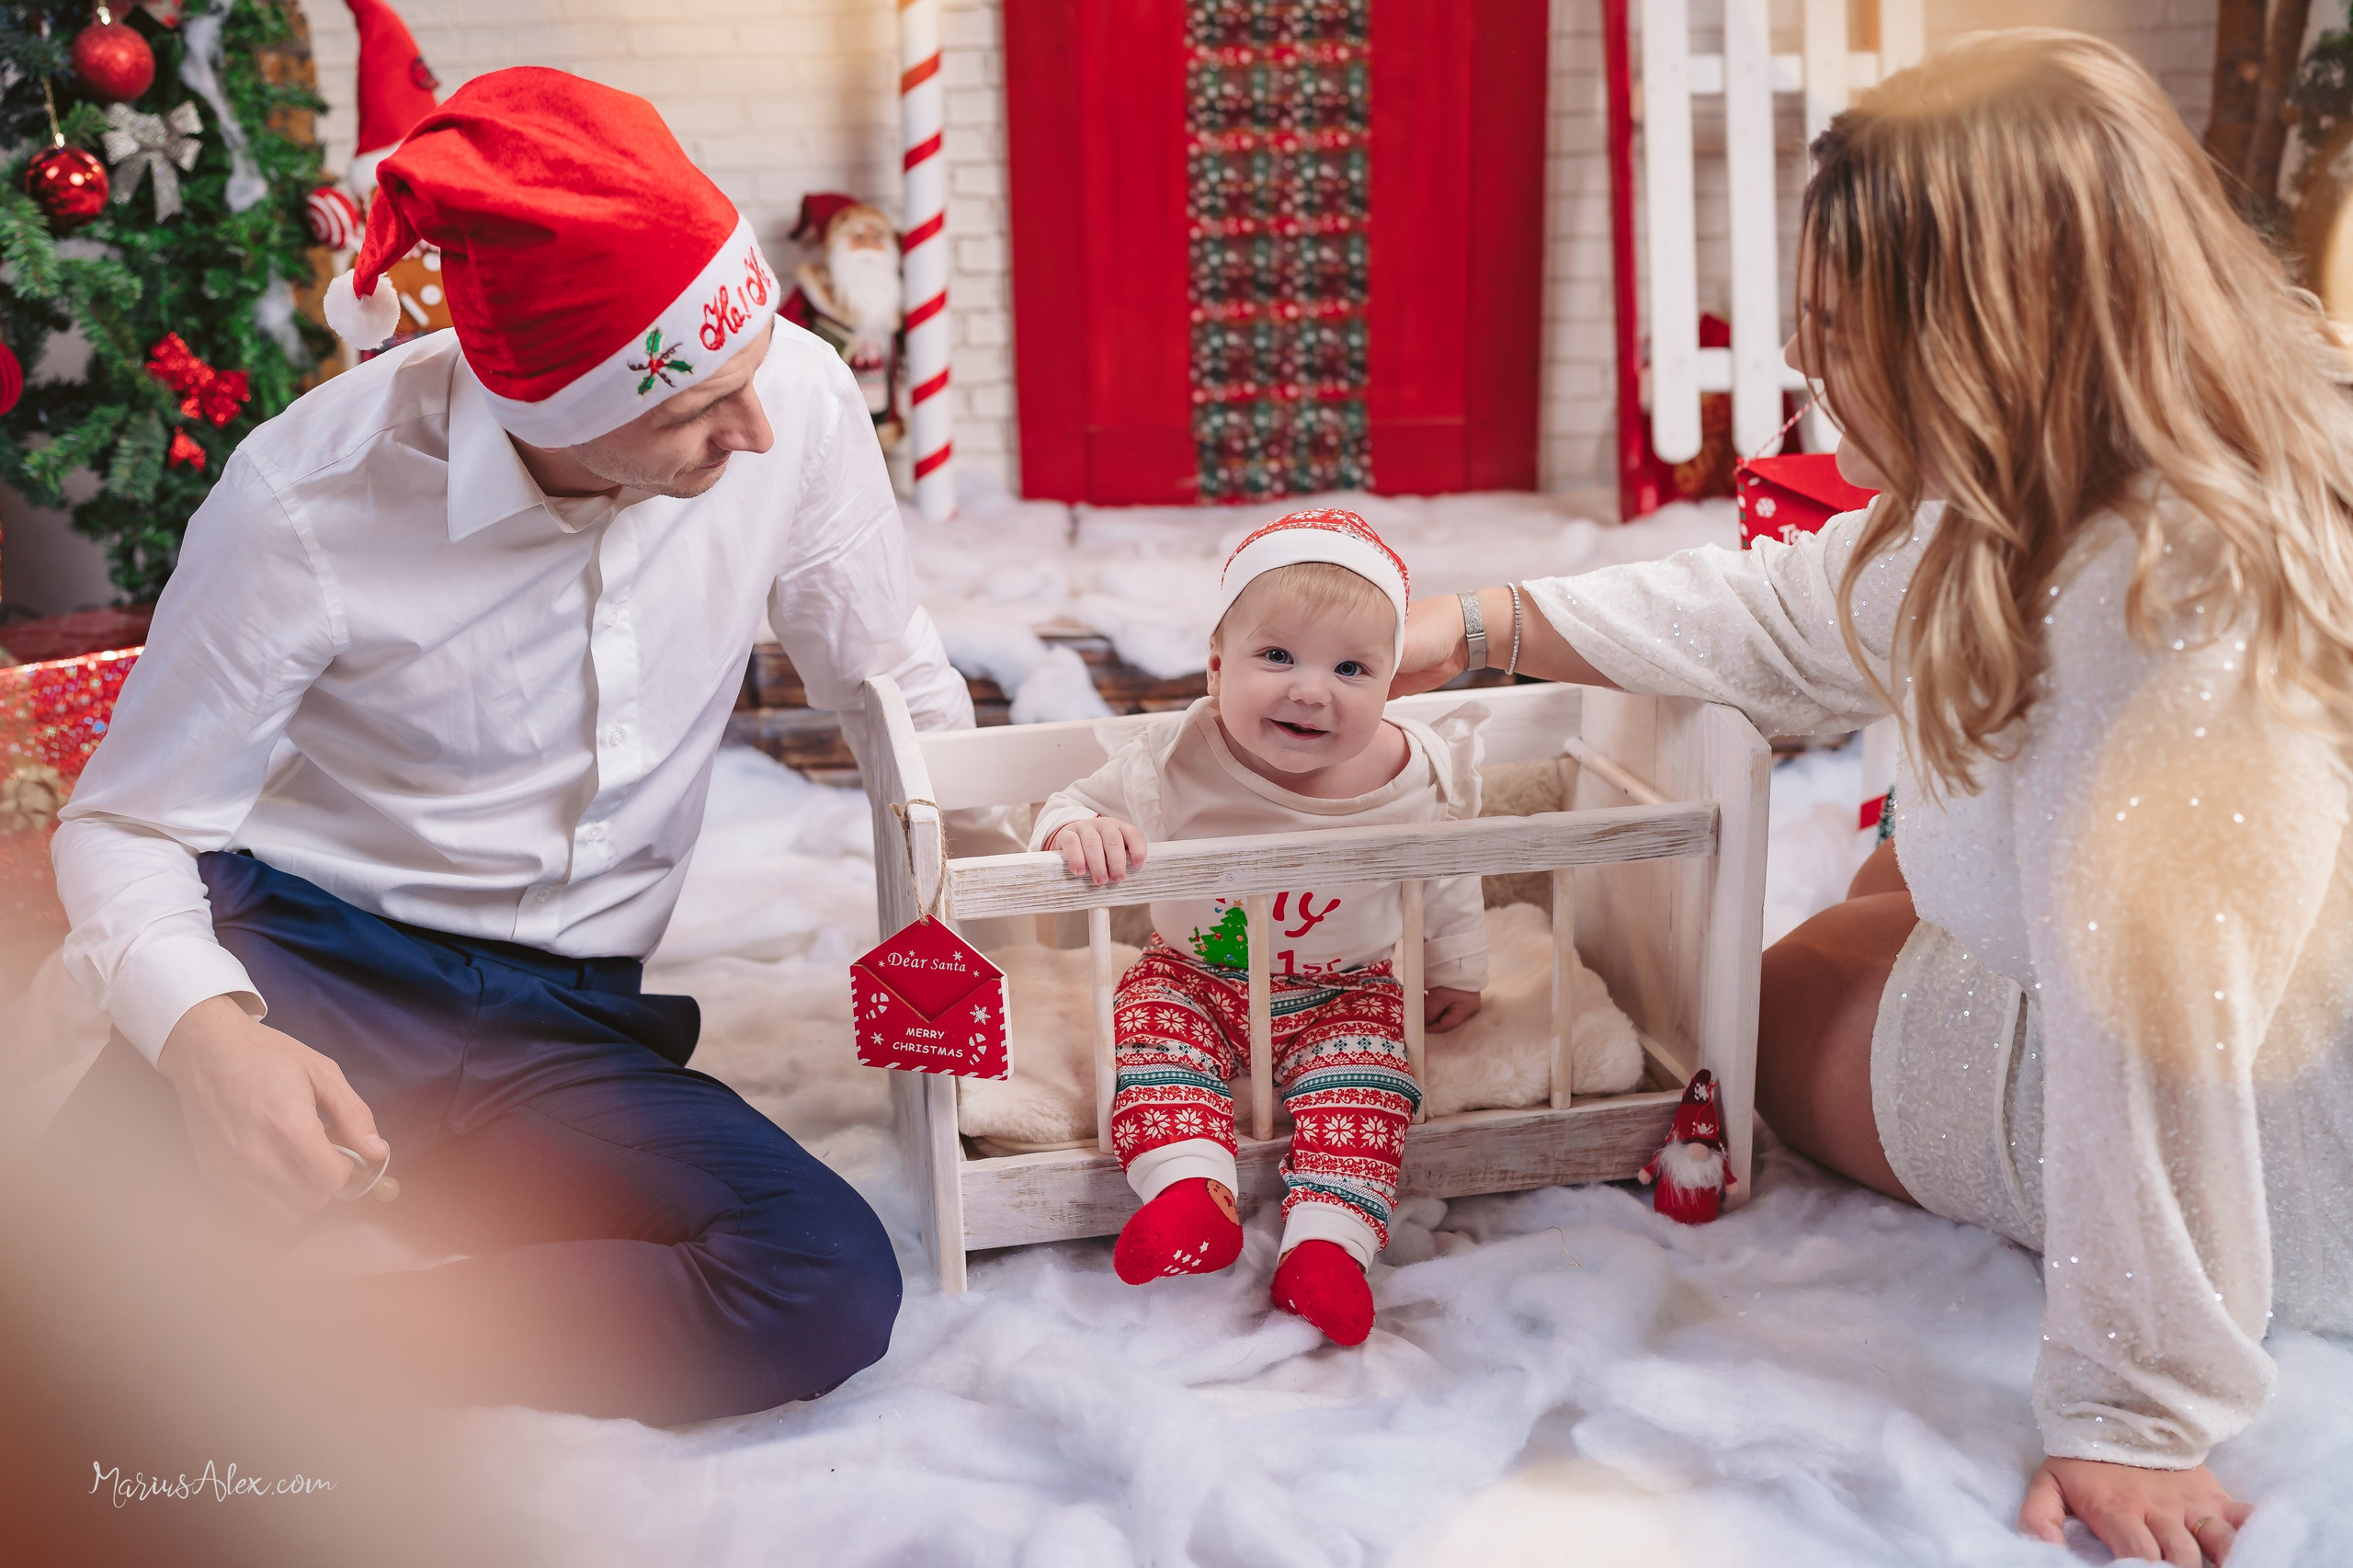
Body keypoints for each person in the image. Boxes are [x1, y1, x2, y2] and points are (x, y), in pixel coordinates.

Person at [1393, 32, 2352, 1568]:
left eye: (1843, 332)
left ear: (1986, 329)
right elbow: (1806, 614)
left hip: (2284, 1120)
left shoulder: (2160, 600)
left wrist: (2133, 1411)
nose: (1811, 369)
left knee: (1765, 1002)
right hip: (2272, 970)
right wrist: (1487, 624)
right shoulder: (2141, 441)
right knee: (1895, 885)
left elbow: (2160, 1013)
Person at [42, 70, 980, 1426]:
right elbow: (127, 822)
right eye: (691, 412)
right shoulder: (307, 498)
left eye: (753, 372)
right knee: (62, 1316)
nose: (755, 430)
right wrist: (209, 1044)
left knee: (820, 1282)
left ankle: (296, 1347)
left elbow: (895, 689)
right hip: (312, 964)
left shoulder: (800, 403)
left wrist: (1017, 892)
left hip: (568, 1020)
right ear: (548, 410)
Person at [1034, 508, 1489, 1346]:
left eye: (1351, 668)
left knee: (1368, 1087)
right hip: (1194, 973)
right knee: (1151, 1038)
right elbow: (1070, 804)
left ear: (1391, 686)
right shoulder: (1176, 753)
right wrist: (1077, 831)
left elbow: (1448, 867)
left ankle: (1328, 1250)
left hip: (1346, 987)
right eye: (1276, 656)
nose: (1310, 690)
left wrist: (1455, 962)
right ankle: (1189, 1193)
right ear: (1215, 668)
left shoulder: (1413, 770)